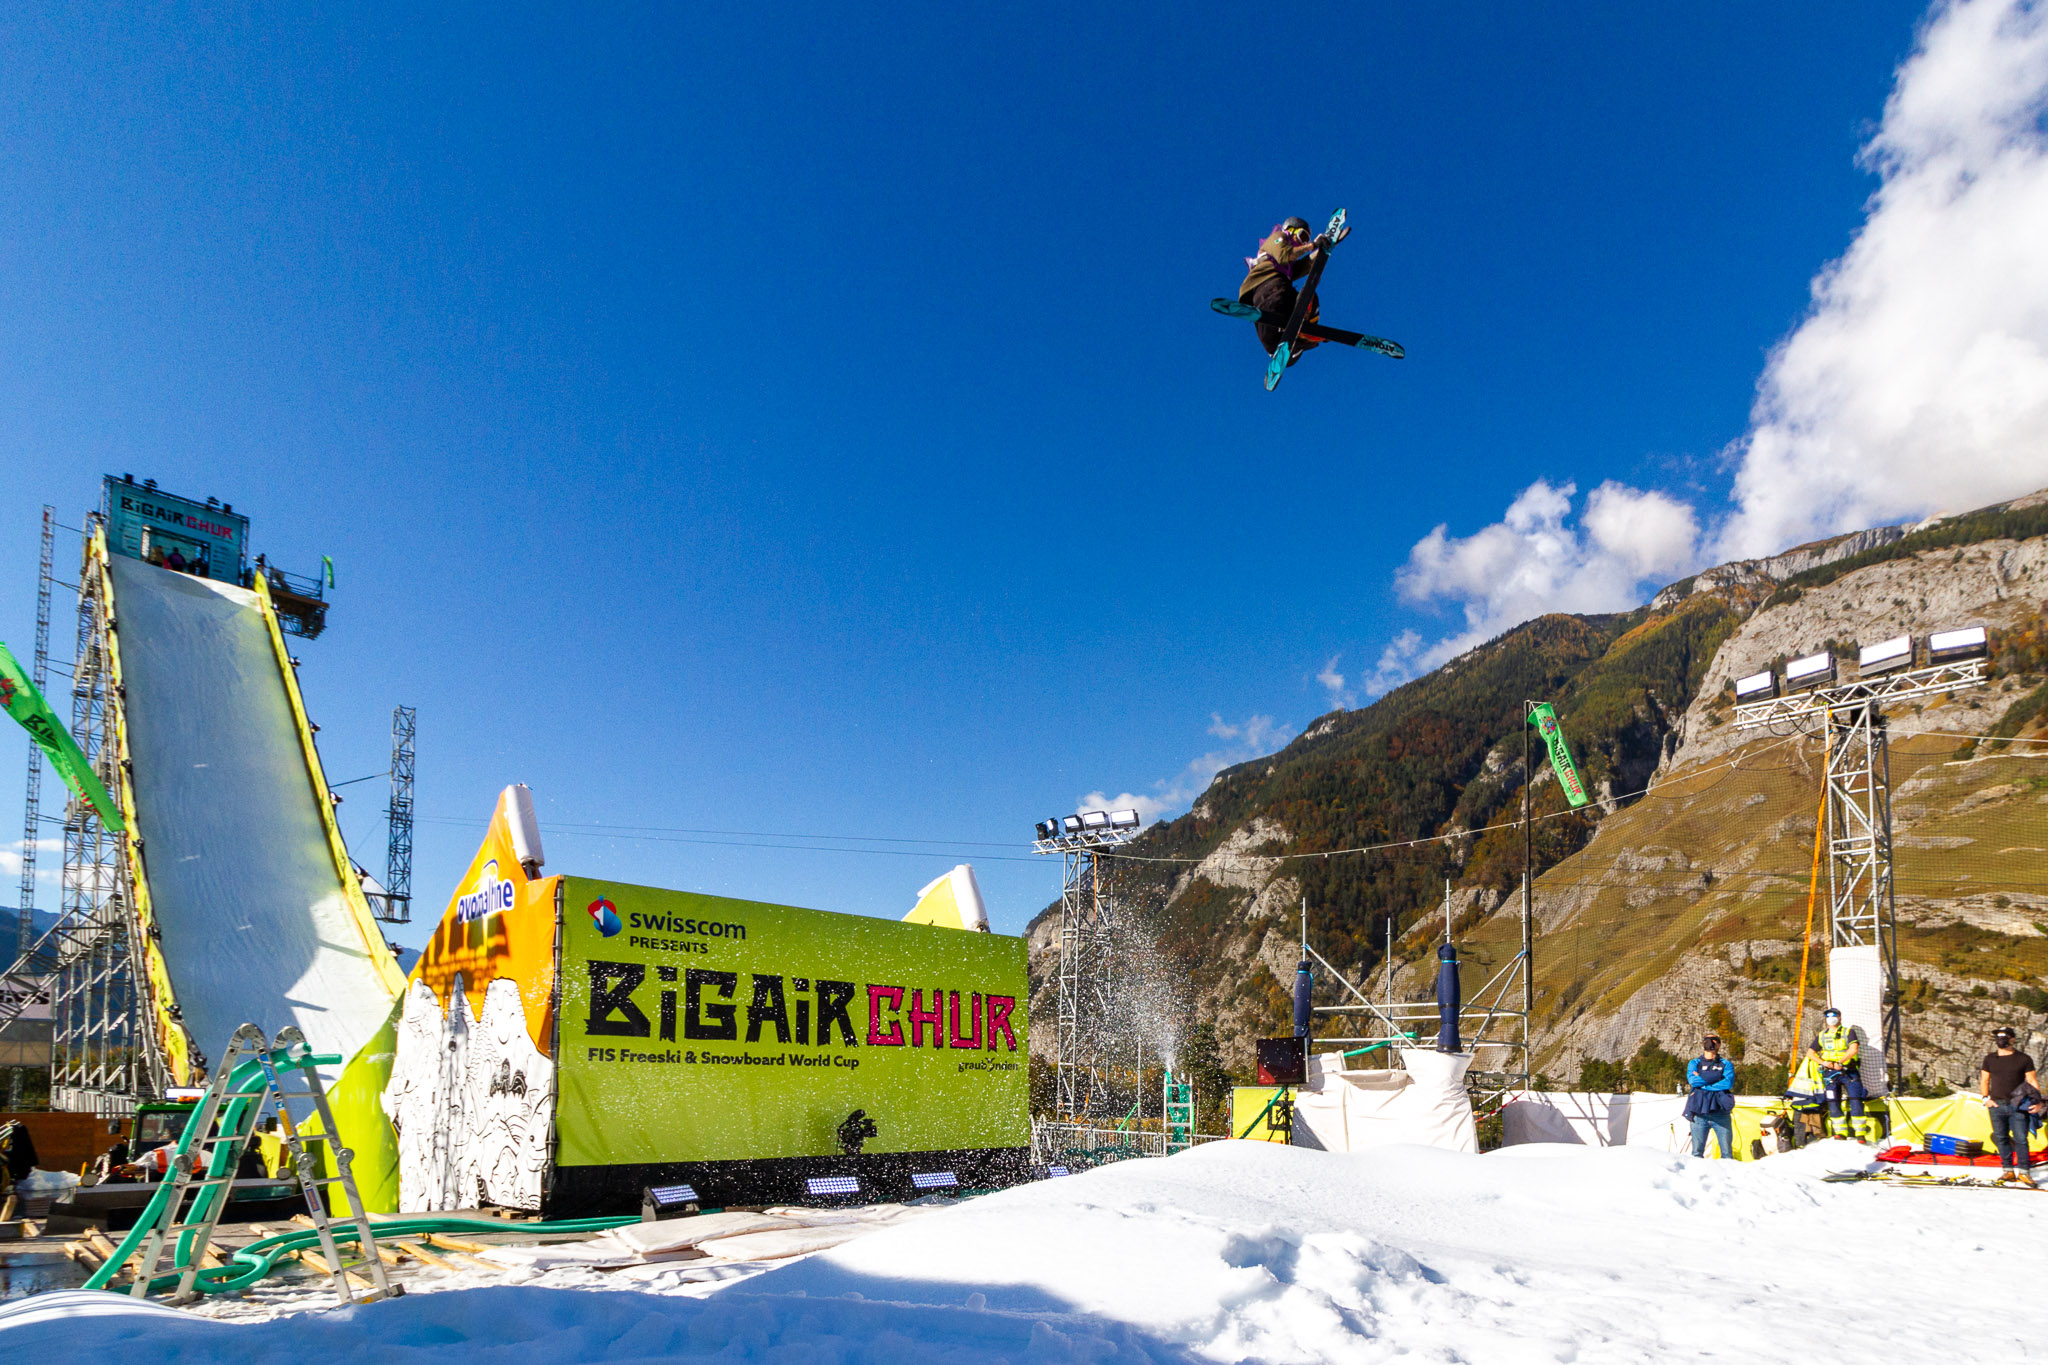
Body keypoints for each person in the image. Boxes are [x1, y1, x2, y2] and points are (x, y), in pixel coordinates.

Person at [1237, 217, 1342, 361]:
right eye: (1302, 236)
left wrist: (1324, 250)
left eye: (1305, 240)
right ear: (1290, 230)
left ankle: (1293, 340)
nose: (1302, 243)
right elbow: (1284, 255)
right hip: (1269, 289)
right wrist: (1312, 245)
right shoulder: (1278, 237)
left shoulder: (1287, 267)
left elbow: (1304, 265)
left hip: (1271, 301)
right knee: (1305, 300)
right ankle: (1297, 332)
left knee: (1271, 339)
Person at [1980, 1026, 2039, 1186]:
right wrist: (1985, 1099)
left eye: (2005, 1036)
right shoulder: (1990, 1059)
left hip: (2018, 1104)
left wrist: (2037, 1102)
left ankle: (2024, 1173)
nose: (2001, 1039)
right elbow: (1985, 1080)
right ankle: (2008, 1171)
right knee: (2001, 1138)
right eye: (1998, 1036)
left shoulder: (2024, 1059)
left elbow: (2032, 1081)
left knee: (2021, 1139)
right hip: (1996, 1104)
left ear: (2013, 1039)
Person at [1806, 1006, 1870, 1140]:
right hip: (1830, 1074)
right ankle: (1840, 1132)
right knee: (1833, 1101)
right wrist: (1823, 1063)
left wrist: (1841, 1062)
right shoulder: (1822, 1035)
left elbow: (1853, 1049)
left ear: (1840, 1018)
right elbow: (1810, 1053)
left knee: (1855, 1100)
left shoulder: (1849, 1032)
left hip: (1848, 1072)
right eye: (1828, 1016)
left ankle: (1860, 1133)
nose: (1831, 1019)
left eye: (1834, 1016)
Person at [1684, 1033, 1736, 1158]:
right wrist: (1717, 1077)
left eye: (1714, 1039)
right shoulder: (1694, 1063)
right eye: (1707, 1039)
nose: (1710, 1042)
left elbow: (1727, 1083)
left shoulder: (1726, 1064)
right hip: (1699, 1112)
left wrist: (1703, 1081)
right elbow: (1693, 1081)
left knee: (1727, 1153)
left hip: (1721, 1113)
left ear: (1719, 1044)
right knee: (1697, 1153)